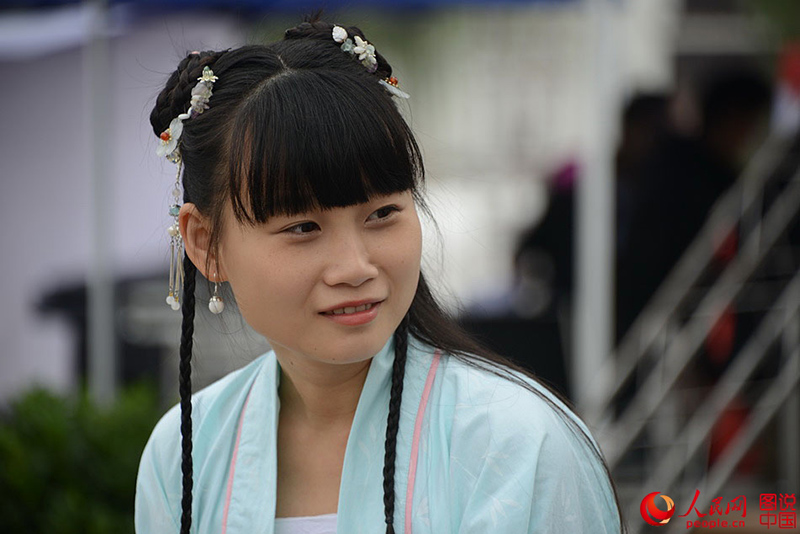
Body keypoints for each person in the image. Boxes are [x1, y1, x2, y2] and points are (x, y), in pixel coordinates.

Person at [135, 13, 625, 534]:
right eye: (302, 227)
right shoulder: (184, 453)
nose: (355, 267)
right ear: (206, 243)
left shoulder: (516, 445)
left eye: (383, 213)